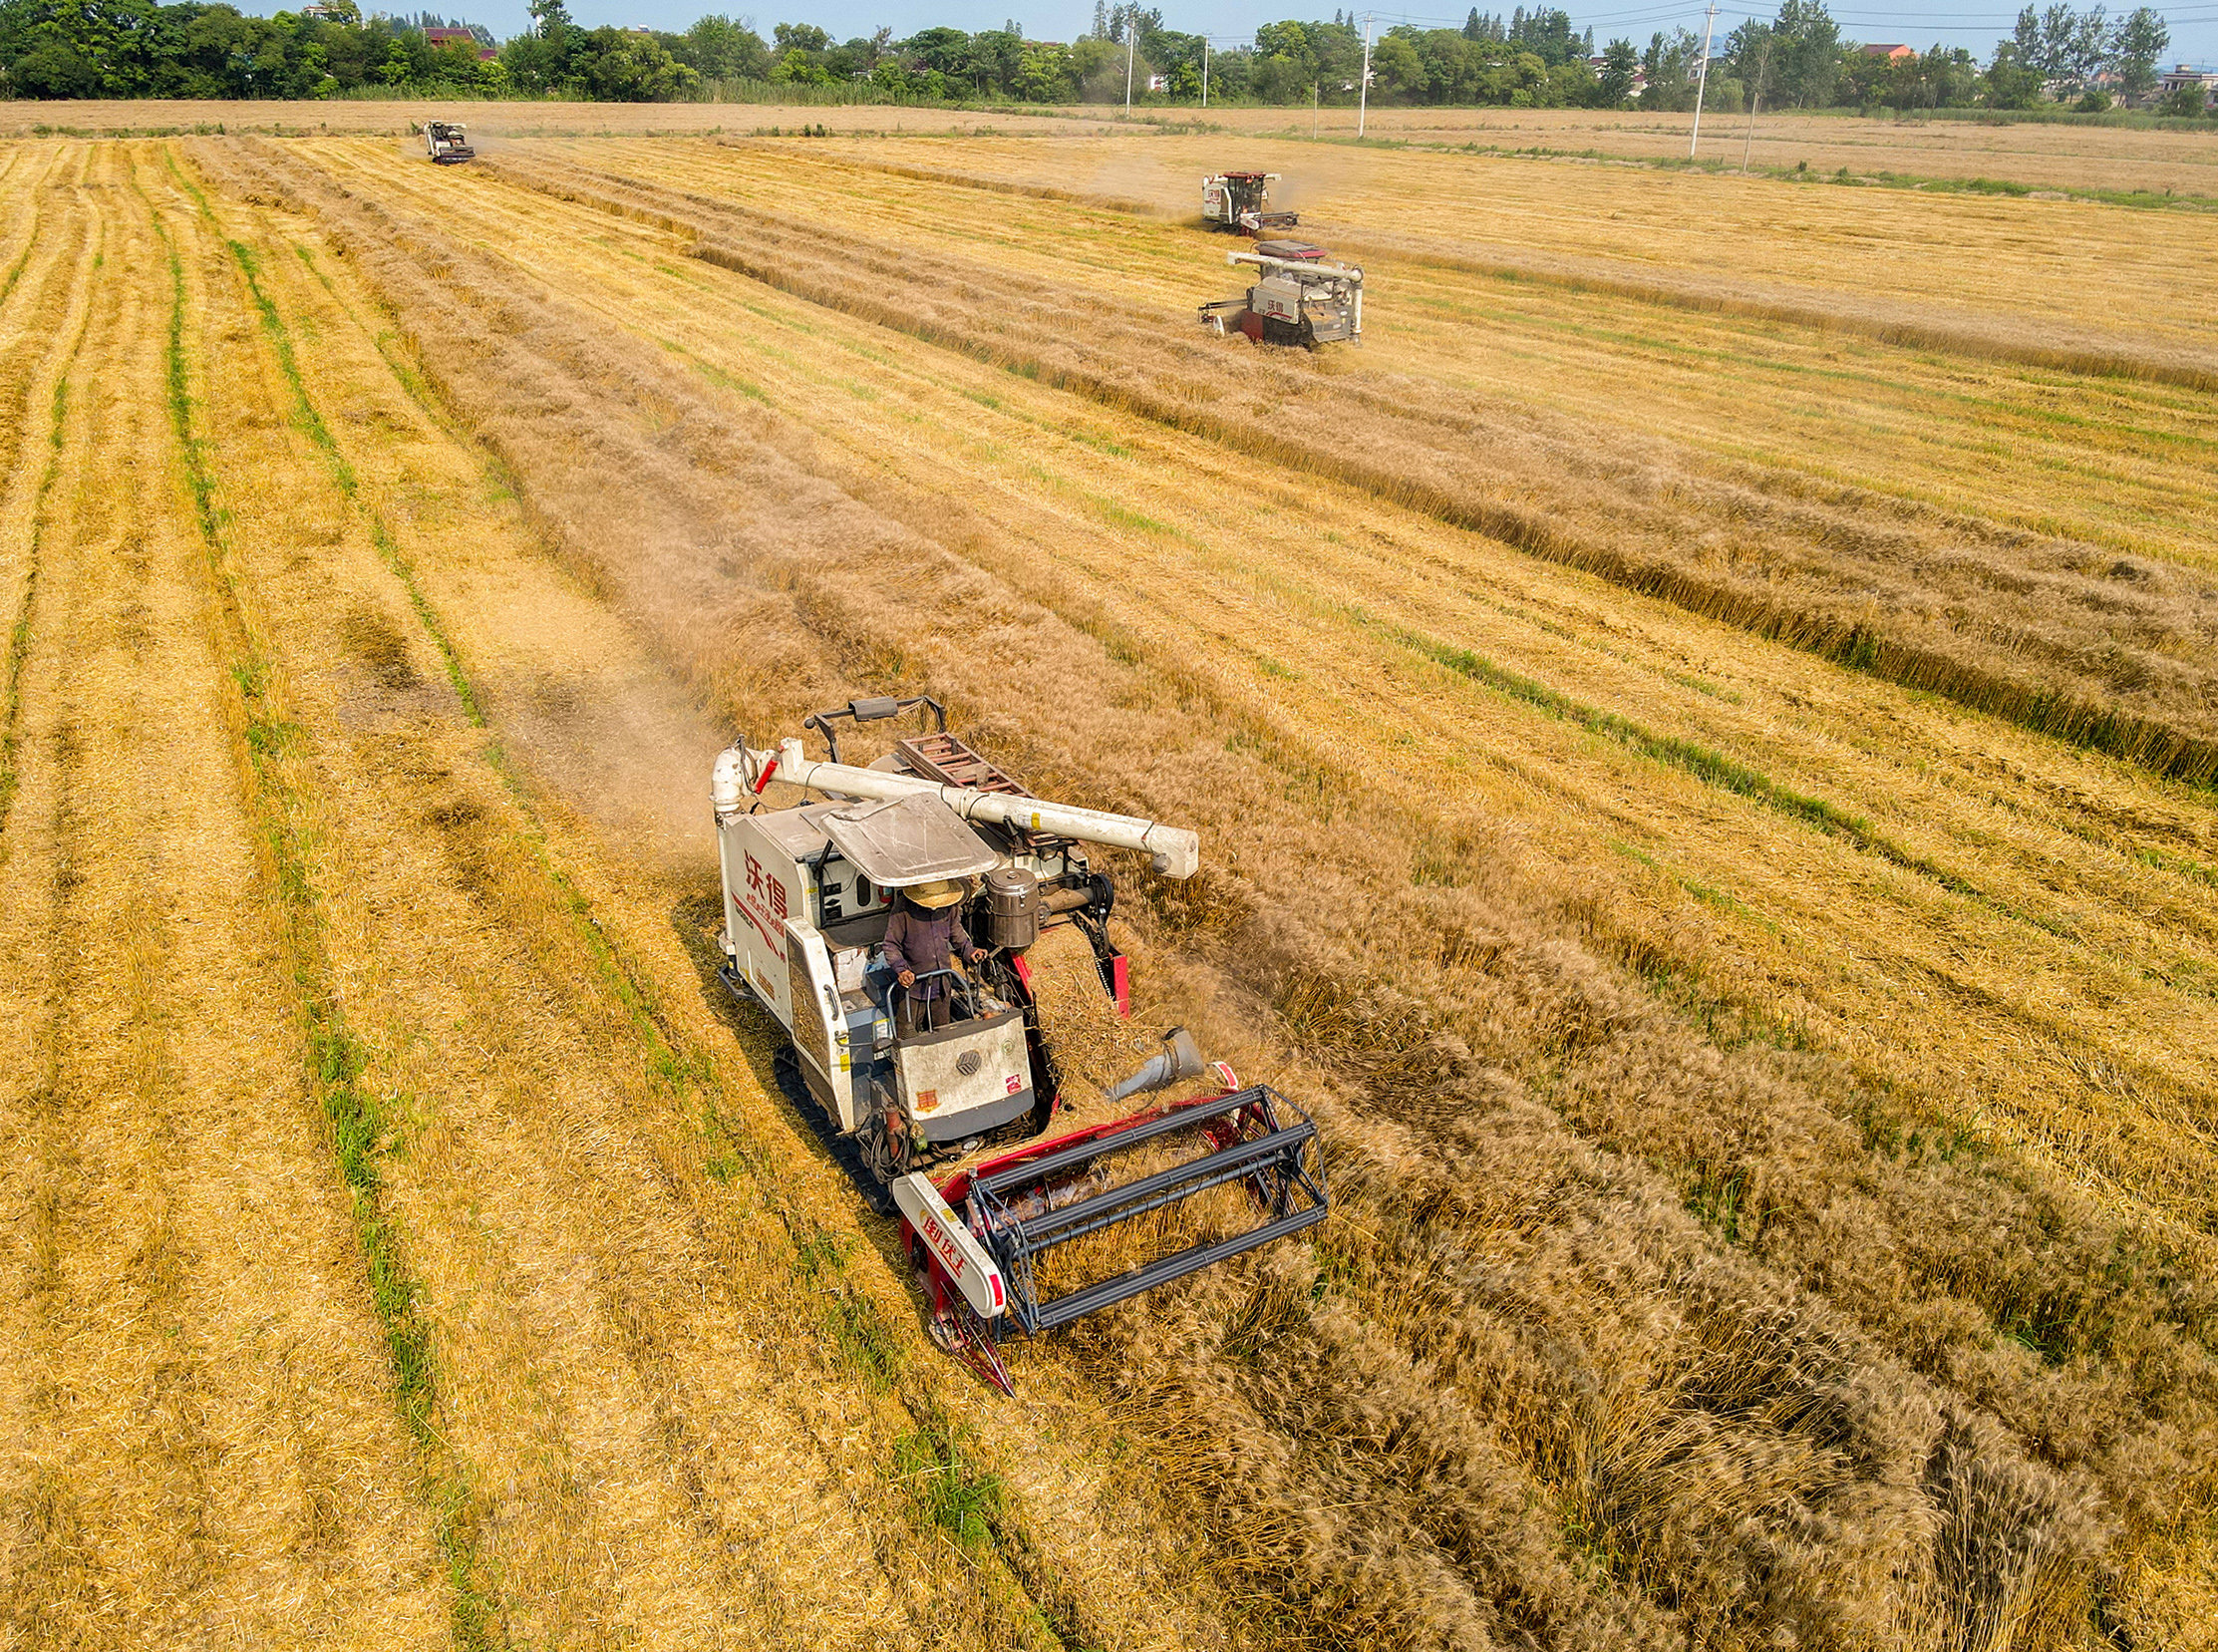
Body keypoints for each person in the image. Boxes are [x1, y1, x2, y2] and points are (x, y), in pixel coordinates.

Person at [882, 879, 989, 1037]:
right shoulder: (903, 909)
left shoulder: (949, 906)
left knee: (943, 1034)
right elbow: (891, 945)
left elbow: (956, 933)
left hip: (942, 984)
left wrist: (969, 950)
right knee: (907, 1036)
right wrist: (902, 970)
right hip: (913, 987)